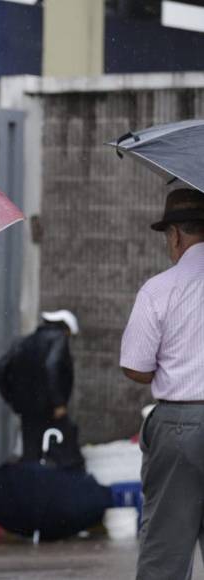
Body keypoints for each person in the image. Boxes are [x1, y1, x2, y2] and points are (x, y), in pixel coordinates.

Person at [121, 188, 204, 580]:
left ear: (175, 236)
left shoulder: (159, 288)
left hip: (180, 424)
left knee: (165, 553)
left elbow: (134, 366)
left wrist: (176, 366)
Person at [0, 310, 83, 468]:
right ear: (65, 328)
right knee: (59, 450)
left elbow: (0, 368)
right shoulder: (59, 339)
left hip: (26, 408)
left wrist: (11, 398)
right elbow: (52, 366)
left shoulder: (25, 341)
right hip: (49, 407)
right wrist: (58, 402)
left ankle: (31, 477)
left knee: (31, 451)